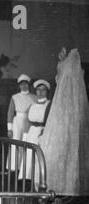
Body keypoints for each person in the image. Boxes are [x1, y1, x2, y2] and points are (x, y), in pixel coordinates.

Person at [39, 48, 89, 196]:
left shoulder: (73, 99)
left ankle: (69, 186)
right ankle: (60, 186)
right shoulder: (60, 102)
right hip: (61, 115)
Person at [18, 79, 51, 183]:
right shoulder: (31, 105)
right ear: (35, 91)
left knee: (39, 156)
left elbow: (50, 121)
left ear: (47, 92)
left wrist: (45, 132)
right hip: (32, 132)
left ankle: (39, 181)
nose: (40, 92)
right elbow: (28, 122)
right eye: (38, 90)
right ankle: (28, 181)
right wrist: (25, 137)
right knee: (29, 155)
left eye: (43, 90)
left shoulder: (49, 105)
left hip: (43, 132)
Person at [6, 74, 36, 170]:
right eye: (21, 84)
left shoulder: (34, 97)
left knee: (26, 142)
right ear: (19, 85)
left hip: (30, 122)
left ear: (29, 85)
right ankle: (15, 167)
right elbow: (10, 113)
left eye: (26, 84)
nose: (24, 86)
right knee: (16, 143)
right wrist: (9, 129)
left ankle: (25, 168)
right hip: (17, 122)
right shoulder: (15, 97)